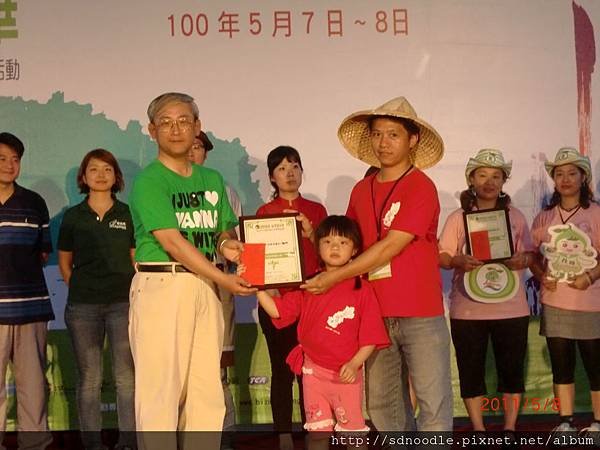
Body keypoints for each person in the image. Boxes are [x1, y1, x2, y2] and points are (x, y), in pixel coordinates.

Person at [303, 96, 453, 432]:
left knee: (433, 402)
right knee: (384, 405)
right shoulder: (361, 189)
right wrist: (314, 235)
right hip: (372, 314)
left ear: (412, 139)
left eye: (393, 134)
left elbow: (389, 247)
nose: (383, 143)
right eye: (377, 134)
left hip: (420, 311)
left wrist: (335, 277)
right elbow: (348, 246)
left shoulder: (421, 187)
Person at [128, 92, 255, 449]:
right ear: (152, 131)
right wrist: (223, 277)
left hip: (204, 286)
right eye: (166, 122)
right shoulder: (149, 180)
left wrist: (229, 247)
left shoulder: (211, 179)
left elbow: (220, 234)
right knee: (160, 393)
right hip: (162, 284)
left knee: (206, 392)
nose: (175, 129)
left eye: (184, 121)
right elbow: (172, 241)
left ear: (197, 127)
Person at [245, 216, 389, 450]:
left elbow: (371, 337)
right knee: (317, 433)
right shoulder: (309, 285)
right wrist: (257, 287)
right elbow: (278, 310)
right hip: (313, 373)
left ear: (355, 250)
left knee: (353, 436)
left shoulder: (363, 289)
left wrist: (354, 364)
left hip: (346, 376)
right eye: (328, 241)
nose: (334, 247)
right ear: (317, 246)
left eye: (343, 242)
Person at [438, 149, 534, 437]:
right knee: (471, 371)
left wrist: (524, 259)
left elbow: (530, 253)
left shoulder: (515, 216)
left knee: (512, 371)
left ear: (504, 181)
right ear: (471, 179)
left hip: (512, 308)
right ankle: (478, 429)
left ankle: (509, 428)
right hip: (468, 310)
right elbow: (442, 256)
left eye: (496, 176)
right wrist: (456, 260)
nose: (489, 181)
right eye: (482, 175)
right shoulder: (459, 217)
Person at [58, 149, 136, 450]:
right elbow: (65, 263)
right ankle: (92, 443)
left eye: (107, 169)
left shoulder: (127, 213)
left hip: (122, 304)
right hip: (83, 308)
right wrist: (80, 287)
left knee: (126, 379)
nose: (101, 175)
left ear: (116, 176)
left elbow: (134, 259)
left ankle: (127, 442)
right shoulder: (73, 217)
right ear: (84, 176)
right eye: (94, 169)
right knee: (89, 379)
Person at [255, 145, 327, 450]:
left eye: (295, 166)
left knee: (312, 373)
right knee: (282, 370)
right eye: (283, 168)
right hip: (277, 301)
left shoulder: (316, 210)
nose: (290, 173)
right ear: (272, 176)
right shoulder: (263, 214)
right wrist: (270, 293)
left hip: (312, 301)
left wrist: (311, 232)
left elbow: (330, 254)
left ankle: (316, 428)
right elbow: (257, 263)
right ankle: (284, 435)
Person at [531, 147, 600, 435]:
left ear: (583, 177)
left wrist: (591, 275)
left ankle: (597, 422)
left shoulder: (595, 213)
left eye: (572, 173)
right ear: (554, 180)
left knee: (596, 367)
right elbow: (533, 256)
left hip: (589, 302)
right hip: (556, 301)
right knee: (562, 366)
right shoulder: (544, 217)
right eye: (559, 174)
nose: (566, 179)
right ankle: (566, 421)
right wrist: (541, 275)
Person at [0, 132, 54, 449]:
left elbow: (42, 251)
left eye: (15, 160)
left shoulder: (34, 202)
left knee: (33, 386)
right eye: (2, 159)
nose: (9, 165)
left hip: (30, 308)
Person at [188, 131, 241, 450]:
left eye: (198, 148)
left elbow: (233, 236)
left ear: (205, 153)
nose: (192, 152)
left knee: (217, 361)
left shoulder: (224, 189)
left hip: (219, 278)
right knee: (183, 363)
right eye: (188, 147)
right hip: (178, 280)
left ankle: (226, 430)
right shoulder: (166, 188)